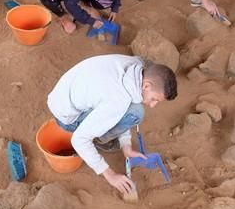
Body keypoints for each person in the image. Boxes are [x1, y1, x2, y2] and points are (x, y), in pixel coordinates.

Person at [47, 54, 177, 194]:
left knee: (132, 109)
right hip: (66, 117)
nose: (152, 105)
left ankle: (102, 132)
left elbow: (123, 104)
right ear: (146, 85)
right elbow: (78, 140)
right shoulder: (117, 100)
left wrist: (126, 145)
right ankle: (100, 141)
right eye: (154, 99)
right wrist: (110, 175)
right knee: (137, 112)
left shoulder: (135, 65)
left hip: (62, 96)